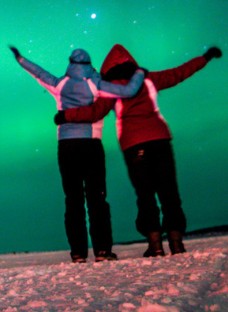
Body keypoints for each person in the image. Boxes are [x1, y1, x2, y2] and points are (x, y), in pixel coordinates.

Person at [57, 44, 222, 257]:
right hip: (160, 139)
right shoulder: (148, 79)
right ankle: (176, 242)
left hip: (133, 143)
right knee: (168, 190)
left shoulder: (110, 88)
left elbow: (94, 112)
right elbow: (180, 73)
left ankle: (155, 245)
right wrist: (205, 57)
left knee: (145, 193)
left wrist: (67, 116)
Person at [9, 45, 146, 263]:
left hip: (66, 146)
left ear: (70, 63)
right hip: (91, 144)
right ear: (89, 64)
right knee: (97, 198)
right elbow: (129, 91)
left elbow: (39, 72)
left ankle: (78, 253)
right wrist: (139, 73)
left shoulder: (60, 84)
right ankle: (102, 251)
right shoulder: (96, 84)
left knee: (73, 199)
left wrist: (20, 59)